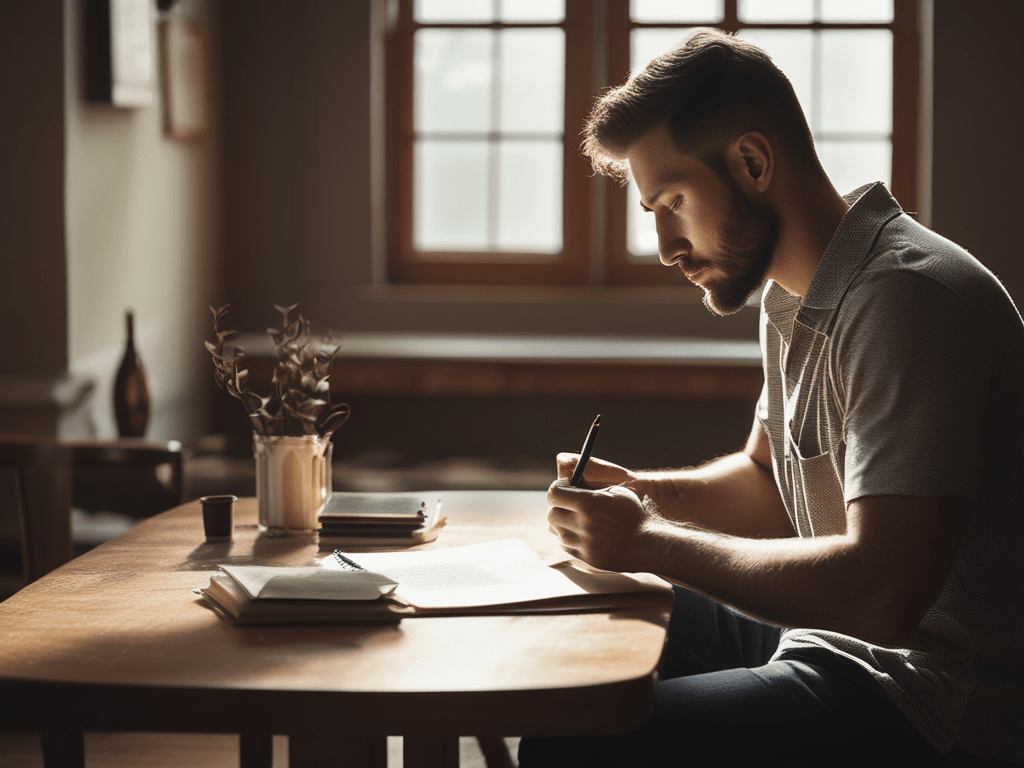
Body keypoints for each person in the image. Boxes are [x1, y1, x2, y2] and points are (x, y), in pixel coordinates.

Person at [518, 28, 1023, 767]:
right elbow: (768, 484)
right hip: (850, 646)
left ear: (753, 162)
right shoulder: (796, 294)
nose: (664, 245)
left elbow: (885, 592)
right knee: (597, 612)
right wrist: (642, 497)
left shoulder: (905, 301)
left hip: (937, 699)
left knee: (576, 745)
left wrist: (651, 540)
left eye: (673, 203)